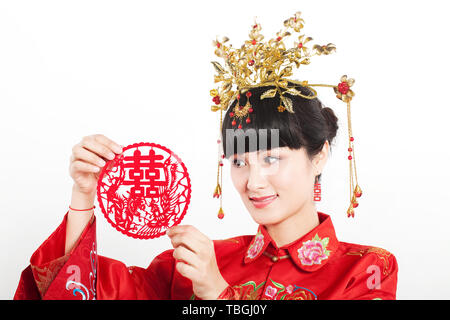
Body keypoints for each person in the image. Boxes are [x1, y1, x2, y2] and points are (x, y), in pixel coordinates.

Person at [13, 12, 398, 300]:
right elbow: (79, 291)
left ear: (319, 156)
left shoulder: (366, 270)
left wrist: (217, 291)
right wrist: (84, 197)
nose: (253, 181)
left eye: (272, 158)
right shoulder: (189, 264)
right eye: (239, 162)